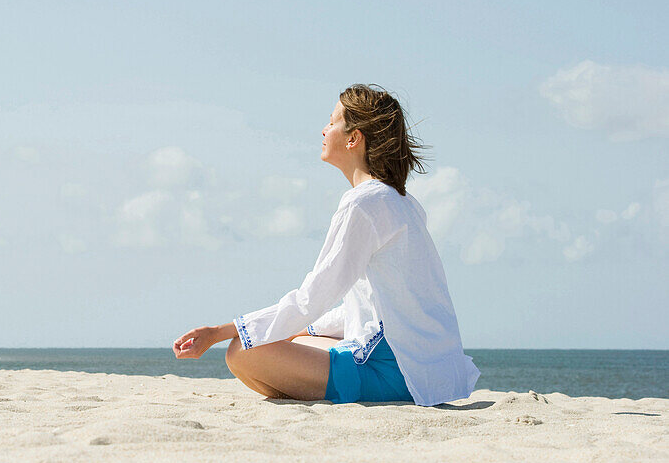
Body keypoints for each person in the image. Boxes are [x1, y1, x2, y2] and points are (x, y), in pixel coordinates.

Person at [172, 84, 479, 406]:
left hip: (396, 371)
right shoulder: (402, 201)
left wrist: (221, 331)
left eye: (332, 122)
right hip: (424, 367)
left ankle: (340, 387)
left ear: (353, 138)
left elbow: (314, 295)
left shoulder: (364, 203)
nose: (323, 129)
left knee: (242, 351)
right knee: (295, 335)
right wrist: (287, 330)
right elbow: (373, 306)